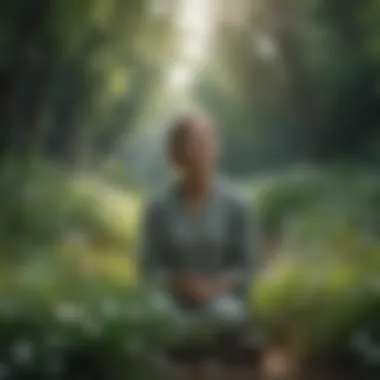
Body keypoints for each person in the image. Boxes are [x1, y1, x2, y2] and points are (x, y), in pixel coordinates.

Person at [139, 110, 261, 379]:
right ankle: (186, 354)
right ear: (176, 153)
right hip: (171, 302)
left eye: (208, 140)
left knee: (228, 314)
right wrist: (177, 283)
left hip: (220, 303)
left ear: (217, 148)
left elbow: (248, 266)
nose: (201, 148)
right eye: (192, 141)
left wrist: (216, 286)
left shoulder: (237, 203)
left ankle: (209, 352)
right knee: (154, 315)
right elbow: (148, 268)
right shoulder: (157, 206)